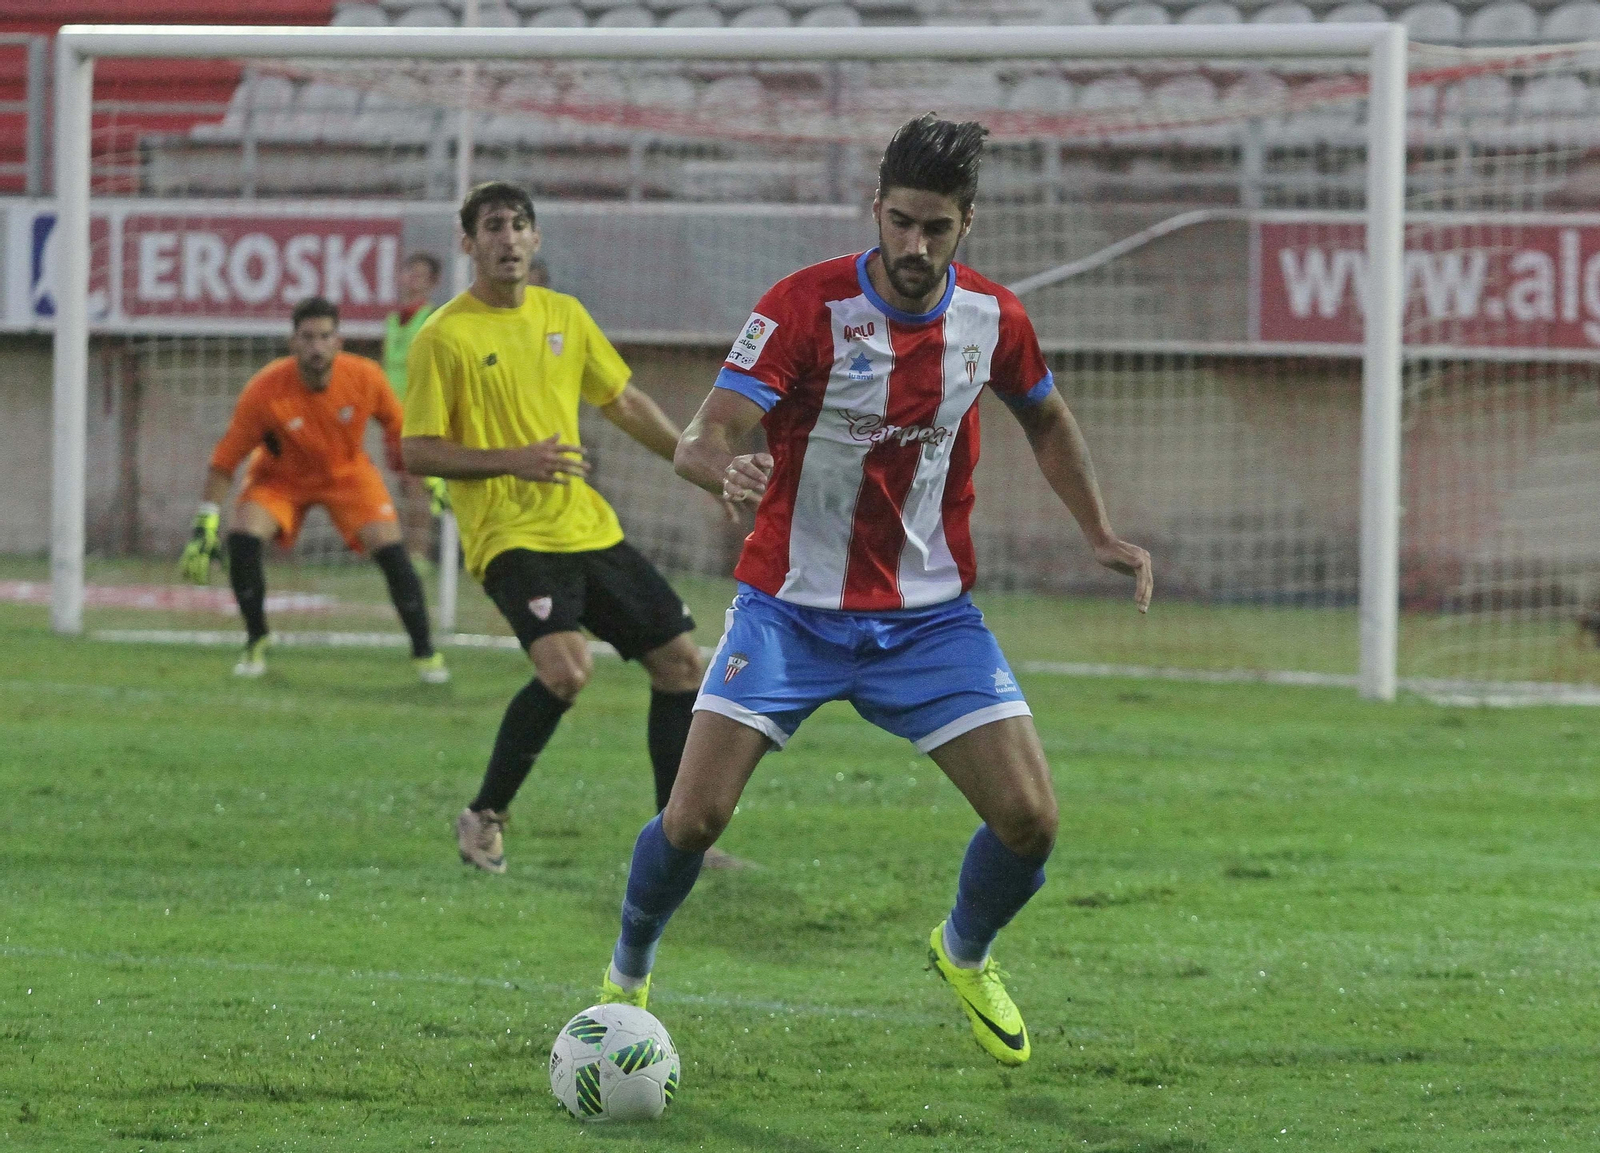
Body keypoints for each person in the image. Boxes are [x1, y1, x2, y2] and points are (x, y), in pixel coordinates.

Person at [595, 115, 1154, 1068]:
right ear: (875, 211)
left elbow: (1048, 417)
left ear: (965, 224)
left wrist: (1097, 528)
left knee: (1031, 821)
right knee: (694, 818)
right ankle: (624, 976)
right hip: (789, 612)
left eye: (935, 227)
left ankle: (963, 952)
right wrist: (716, 471)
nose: (913, 245)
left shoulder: (994, 318)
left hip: (929, 619)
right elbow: (706, 432)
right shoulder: (804, 307)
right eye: (899, 221)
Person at [401, 181, 740, 876]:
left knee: (680, 662)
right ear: (469, 243)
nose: (509, 237)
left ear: (536, 240)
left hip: (586, 526)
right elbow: (418, 450)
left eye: (521, 225)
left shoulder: (564, 315)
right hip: (509, 536)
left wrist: (693, 461)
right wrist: (513, 460)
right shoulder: (444, 335)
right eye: (493, 226)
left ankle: (679, 846)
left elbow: (623, 400)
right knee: (566, 671)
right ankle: (484, 815)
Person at [179, 296, 449, 685]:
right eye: (307, 337)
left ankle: (426, 653)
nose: (317, 347)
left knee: (393, 554)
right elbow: (225, 458)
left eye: (325, 337)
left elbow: (402, 429)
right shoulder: (265, 390)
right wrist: (206, 518)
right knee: (242, 539)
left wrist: (434, 477)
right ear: (293, 343)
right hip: (280, 478)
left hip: (347, 475)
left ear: (339, 341)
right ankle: (256, 640)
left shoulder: (366, 377)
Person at [382, 252, 450, 565]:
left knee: (416, 487)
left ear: (433, 283)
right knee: (405, 486)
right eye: (409, 272)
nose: (413, 279)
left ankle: (418, 554)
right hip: (392, 417)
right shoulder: (393, 321)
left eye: (421, 275)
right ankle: (412, 548)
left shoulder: (432, 320)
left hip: (419, 418)